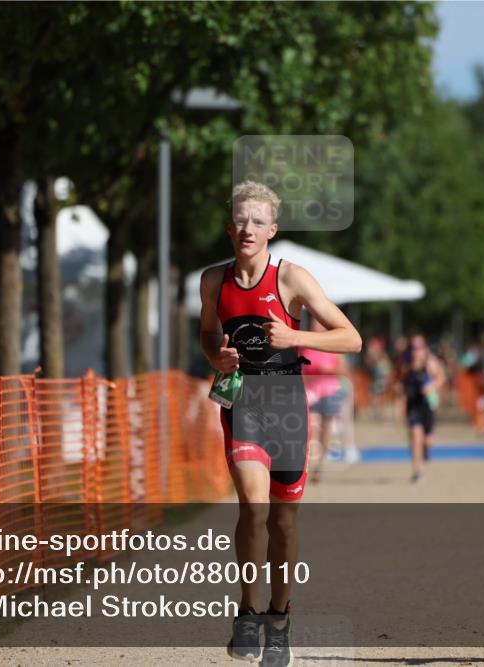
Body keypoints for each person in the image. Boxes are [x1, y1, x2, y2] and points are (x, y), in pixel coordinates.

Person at [199, 180, 361, 666]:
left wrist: (295, 335)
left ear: (272, 229)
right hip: (243, 401)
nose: (247, 228)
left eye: (257, 221)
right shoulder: (213, 281)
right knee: (253, 506)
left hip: (289, 406)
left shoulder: (292, 278)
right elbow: (208, 334)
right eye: (240, 220)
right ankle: (246, 613)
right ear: (230, 227)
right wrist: (218, 356)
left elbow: (350, 338)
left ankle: (280, 618)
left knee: (284, 524)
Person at [301, 319, 347, 483]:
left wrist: (329, 370)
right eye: (313, 324)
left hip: (330, 391)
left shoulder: (332, 346)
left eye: (318, 324)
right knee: (313, 428)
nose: (315, 326)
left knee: (326, 431)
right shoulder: (305, 345)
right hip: (311, 393)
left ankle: (319, 464)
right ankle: (312, 463)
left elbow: (344, 370)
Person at [404, 334, 445, 482]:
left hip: (427, 405)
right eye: (413, 347)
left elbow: (441, 378)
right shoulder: (406, 362)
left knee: (427, 441)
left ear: (425, 348)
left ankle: (426, 449)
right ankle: (417, 471)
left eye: (419, 347)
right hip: (413, 405)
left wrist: (432, 386)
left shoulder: (430, 363)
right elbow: (399, 379)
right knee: (415, 435)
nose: (416, 351)